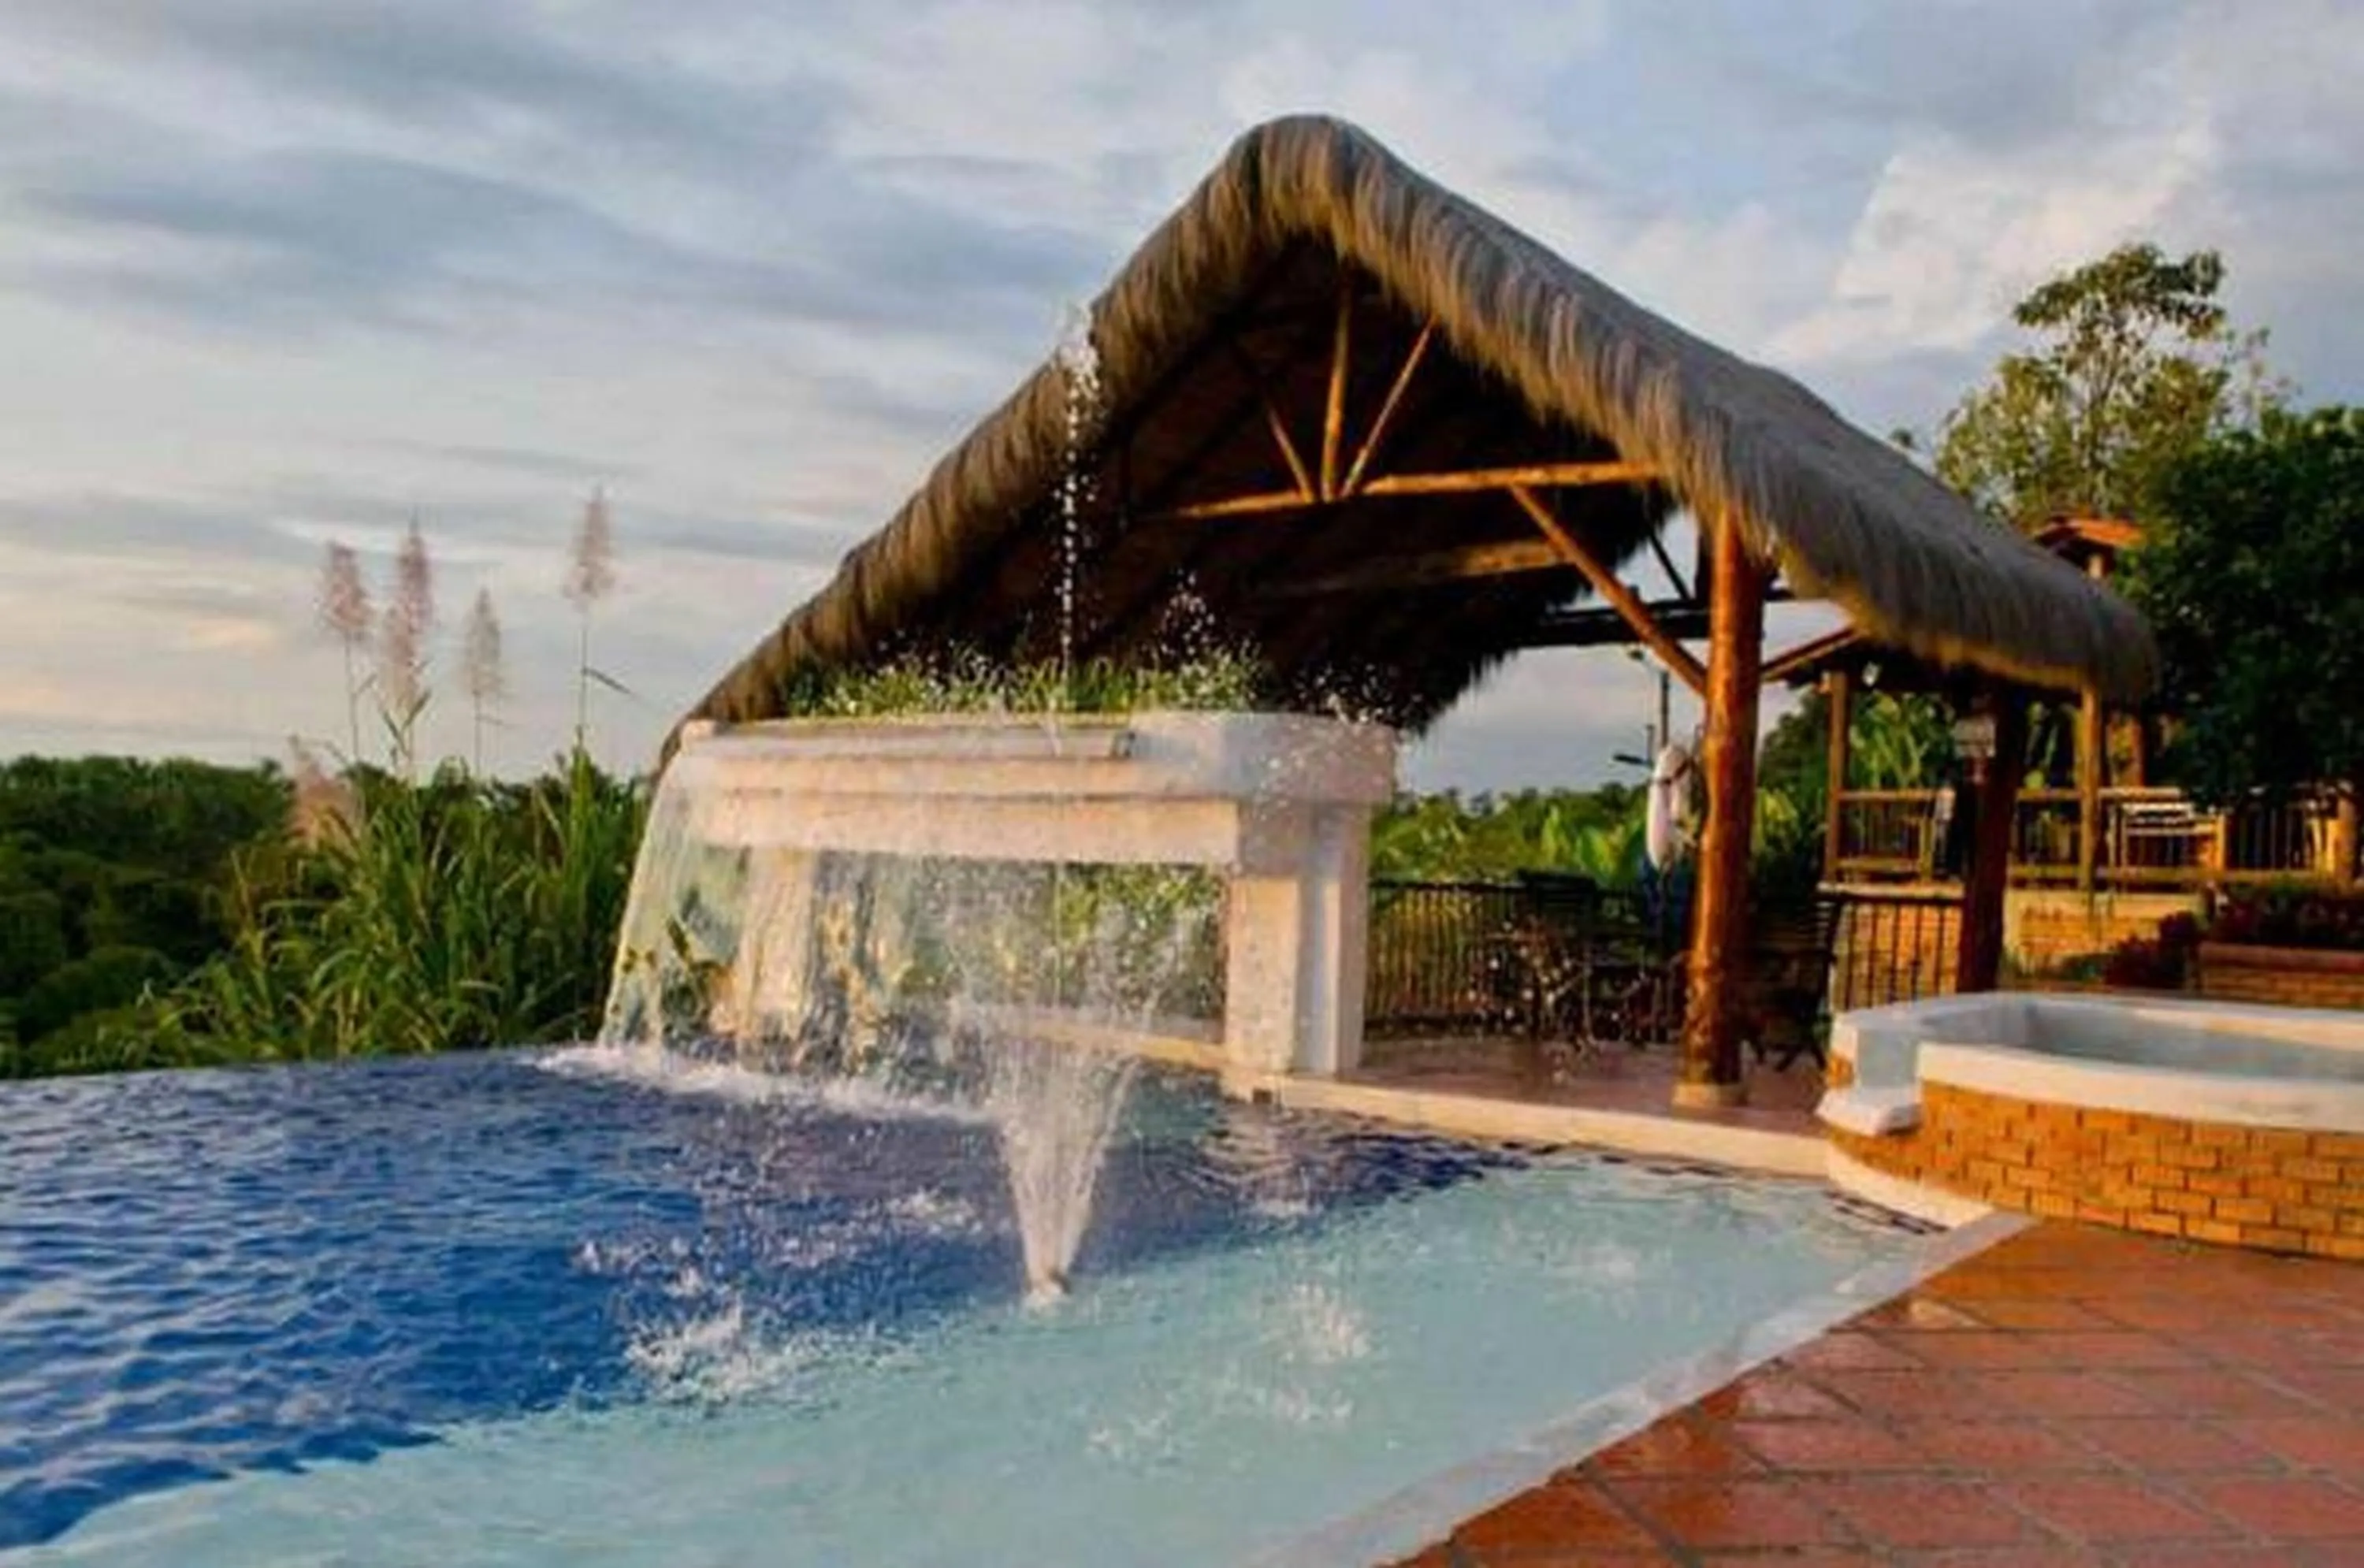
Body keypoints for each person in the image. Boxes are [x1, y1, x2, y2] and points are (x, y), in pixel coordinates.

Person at [1642, 739, 1697, 949]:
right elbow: (1678, 817)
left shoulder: (1659, 784)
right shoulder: (1676, 779)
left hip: (1658, 860)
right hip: (1670, 863)